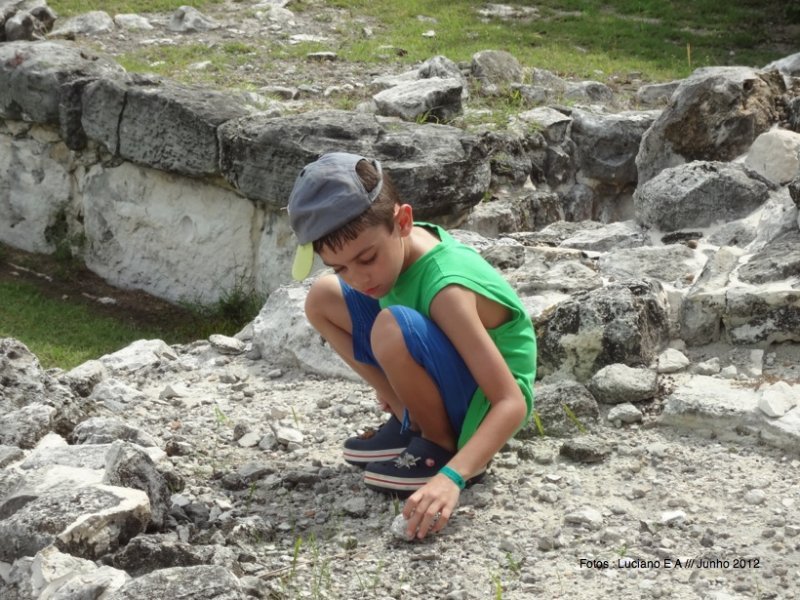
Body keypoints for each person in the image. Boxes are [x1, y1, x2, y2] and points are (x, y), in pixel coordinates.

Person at [287, 152, 537, 539]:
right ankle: (411, 420)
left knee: (391, 327)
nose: (357, 278)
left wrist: (452, 478)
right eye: (340, 267)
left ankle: (440, 445)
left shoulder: (447, 290)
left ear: (402, 221)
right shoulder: (397, 250)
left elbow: (512, 401)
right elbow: (357, 281)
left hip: (481, 409)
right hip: (448, 366)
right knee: (321, 299)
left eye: (366, 258)